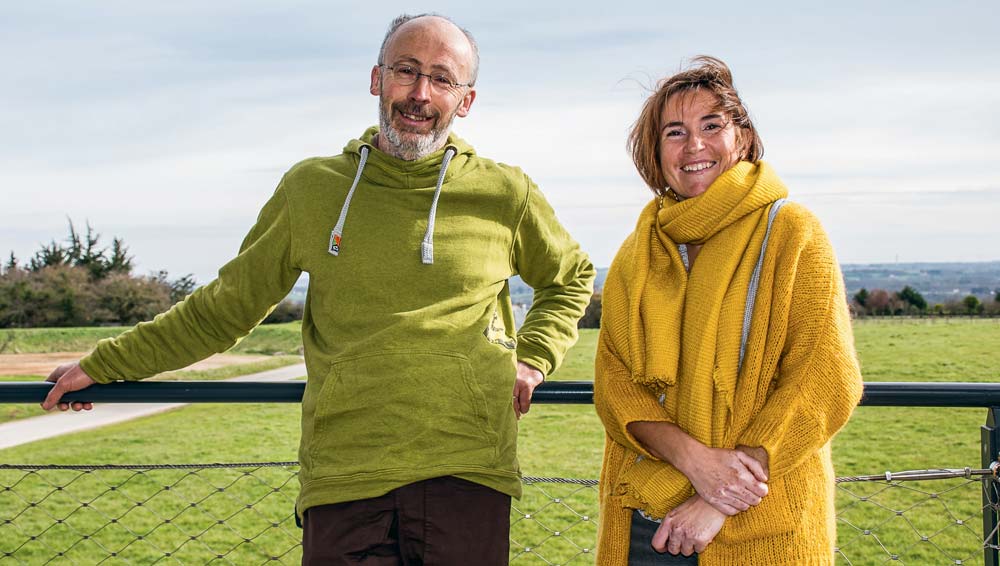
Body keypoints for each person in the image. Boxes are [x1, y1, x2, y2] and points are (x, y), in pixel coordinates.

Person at [41, 13, 595, 565]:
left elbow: (570, 277)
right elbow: (224, 309)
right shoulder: (311, 189)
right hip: (344, 475)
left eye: (442, 78)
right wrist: (107, 363)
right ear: (377, 79)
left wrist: (534, 359)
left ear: (465, 100)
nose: (420, 93)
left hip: (467, 468)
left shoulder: (506, 192)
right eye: (406, 70)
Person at [593, 56, 863, 565]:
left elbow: (824, 377)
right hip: (643, 520)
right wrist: (694, 461)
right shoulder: (637, 251)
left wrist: (718, 496)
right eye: (675, 132)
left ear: (742, 136)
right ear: (655, 152)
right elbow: (614, 383)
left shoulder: (793, 232)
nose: (694, 145)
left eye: (711, 126)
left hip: (760, 524)